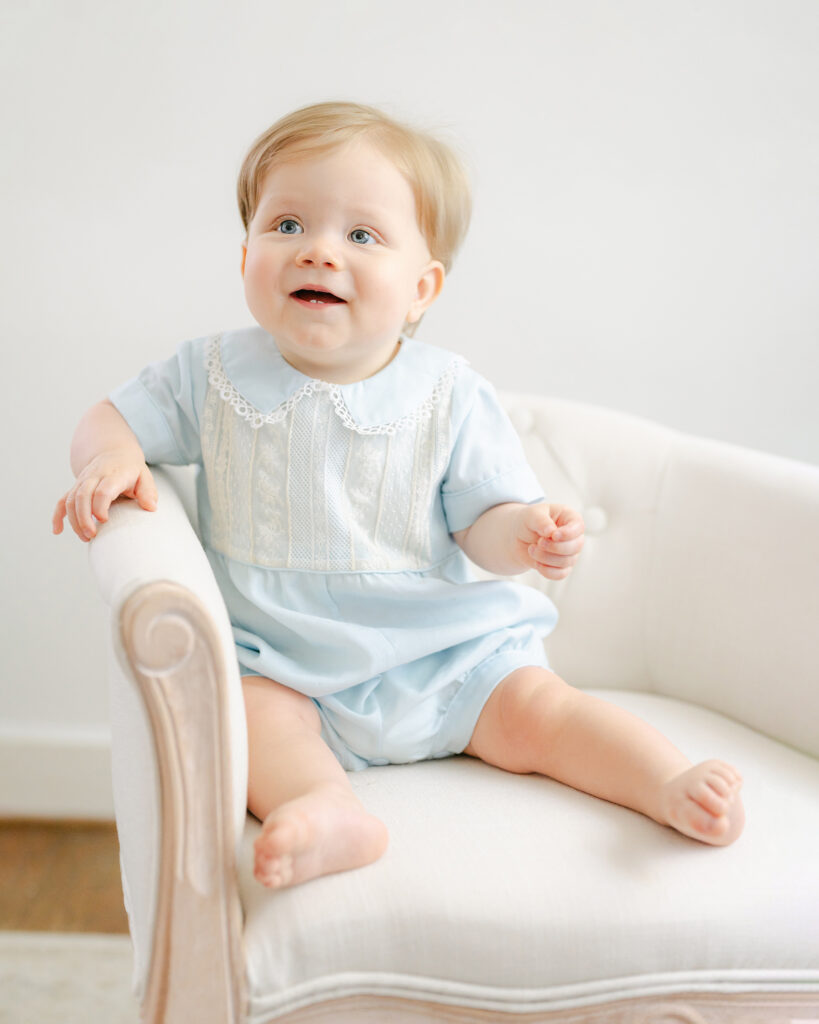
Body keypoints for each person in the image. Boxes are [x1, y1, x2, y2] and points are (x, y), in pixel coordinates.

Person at [53, 101, 744, 890]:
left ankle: (662, 780)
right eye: (285, 225)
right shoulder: (207, 374)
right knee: (250, 722)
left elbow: (480, 520)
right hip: (283, 662)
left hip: (444, 654)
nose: (316, 251)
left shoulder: (447, 393)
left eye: (360, 236)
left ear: (421, 288)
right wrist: (110, 457)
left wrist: (522, 531)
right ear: (243, 253)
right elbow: (108, 417)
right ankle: (327, 809)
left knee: (542, 713)